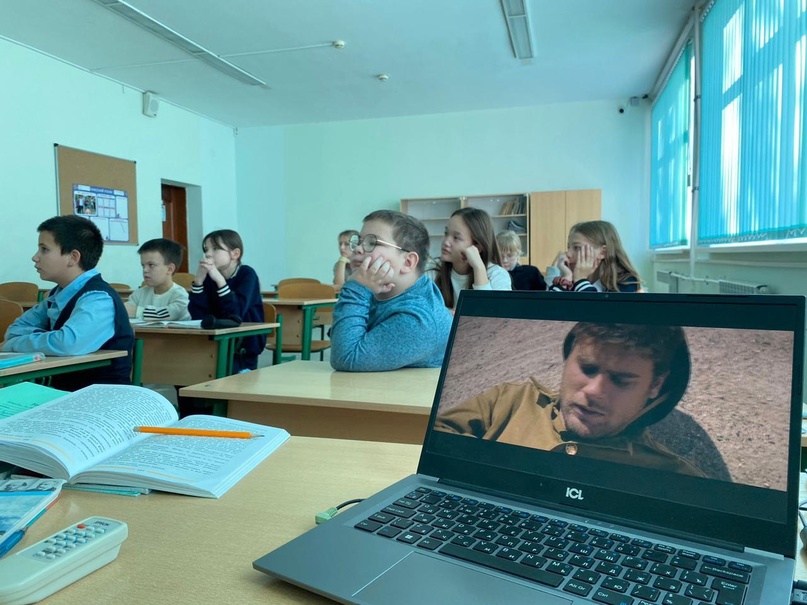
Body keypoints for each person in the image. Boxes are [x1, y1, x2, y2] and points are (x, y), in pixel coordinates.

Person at [434, 322, 705, 477]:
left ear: (656, 385)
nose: (594, 391)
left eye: (621, 380)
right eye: (587, 368)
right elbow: (436, 439)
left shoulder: (674, 476)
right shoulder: (509, 400)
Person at [1, 215, 133, 391]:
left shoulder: (98, 298)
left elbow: (68, 343)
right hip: (64, 392)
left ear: (73, 257)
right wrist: (46, 338)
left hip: (102, 396)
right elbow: (14, 331)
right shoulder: (57, 294)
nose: (35, 257)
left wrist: (15, 344)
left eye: (44, 249)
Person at [330, 210, 452, 371]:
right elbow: (339, 337)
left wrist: (356, 288)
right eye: (359, 241)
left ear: (408, 262)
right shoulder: (382, 290)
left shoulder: (418, 319)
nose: (358, 249)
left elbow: (345, 358)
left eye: (373, 242)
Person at [188, 229, 265, 373]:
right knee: (186, 372)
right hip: (213, 344)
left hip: (242, 348)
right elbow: (197, 316)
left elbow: (236, 314)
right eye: (206, 249)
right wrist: (198, 282)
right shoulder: (209, 277)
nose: (208, 254)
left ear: (235, 254)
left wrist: (219, 281)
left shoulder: (247, 274)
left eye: (215, 249)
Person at [432, 207, 511, 309]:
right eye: (446, 233)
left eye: (456, 237)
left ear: (477, 246)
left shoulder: (497, 275)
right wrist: (447, 314)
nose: (446, 242)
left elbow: (491, 314)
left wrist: (479, 268)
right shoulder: (433, 270)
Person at [546, 220, 642, 292]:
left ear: (602, 252)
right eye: (568, 247)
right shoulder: (567, 277)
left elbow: (595, 311)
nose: (568, 254)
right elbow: (548, 308)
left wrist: (581, 280)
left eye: (577, 248)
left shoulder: (626, 282)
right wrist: (567, 278)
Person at [126, 238, 191, 322]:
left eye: (151, 265)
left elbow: (171, 313)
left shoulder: (180, 296)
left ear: (170, 269)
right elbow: (125, 310)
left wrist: (137, 311)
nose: (145, 270)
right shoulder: (139, 294)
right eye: (143, 265)